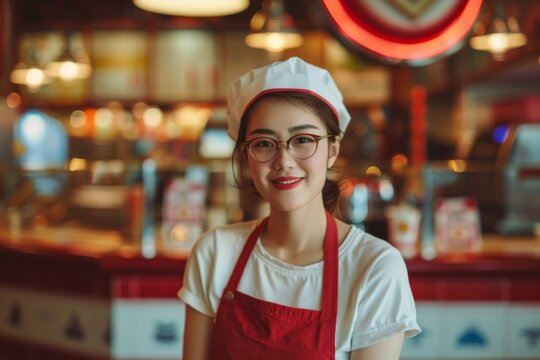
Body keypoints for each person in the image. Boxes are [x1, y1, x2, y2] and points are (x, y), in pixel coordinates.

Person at [179, 57, 420, 360]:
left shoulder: (374, 268)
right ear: (245, 155)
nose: (284, 161)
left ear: (333, 149)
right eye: (264, 143)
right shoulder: (214, 252)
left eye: (303, 139)